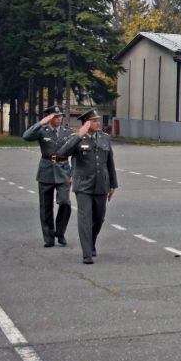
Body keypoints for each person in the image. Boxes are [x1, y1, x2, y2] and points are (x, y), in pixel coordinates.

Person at [55, 110, 117, 264]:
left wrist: (113, 185)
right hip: (83, 185)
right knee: (85, 218)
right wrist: (79, 135)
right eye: (94, 120)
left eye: (98, 120)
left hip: (101, 184)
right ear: (86, 123)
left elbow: (110, 162)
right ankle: (87, 253)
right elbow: (62, 153)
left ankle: (91, 242)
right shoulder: (76, 138)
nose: (98, 123)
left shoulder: (104, 138)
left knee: (99, 218)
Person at [22, 105, 73, 247]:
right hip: (46, 171)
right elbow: (26, 136)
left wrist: (73, 173)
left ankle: (60, 232)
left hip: (63, 170)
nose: (59, 119)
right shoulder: (41, 131)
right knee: (46, 206)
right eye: (55, 116)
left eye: (60, 116)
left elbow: (76, 153)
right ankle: (49, 237)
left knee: (65, 202)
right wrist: (41, 123)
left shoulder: (67, 132)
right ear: (49, 118)